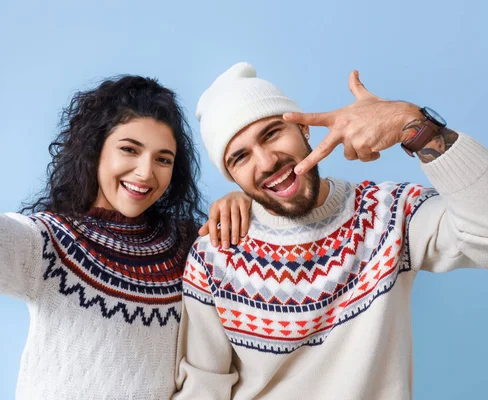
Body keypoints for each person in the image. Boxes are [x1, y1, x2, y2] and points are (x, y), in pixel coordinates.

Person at [0, 75, 251, 400]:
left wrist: (247, 200)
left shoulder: (189, 244)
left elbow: (283, 246)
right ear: (95, 149)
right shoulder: (50, 243)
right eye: (129, 149)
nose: (144, 172)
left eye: (163, 159)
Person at [174, 62, 488, 399]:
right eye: (240, 157)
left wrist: (412, 124)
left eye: (272, 133)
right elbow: (203, 387)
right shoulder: (214, 254)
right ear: (232, 177)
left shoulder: (389, 213)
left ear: (304, 129)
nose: (266, 162)